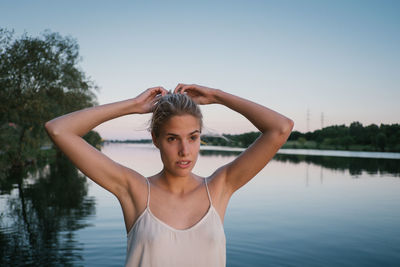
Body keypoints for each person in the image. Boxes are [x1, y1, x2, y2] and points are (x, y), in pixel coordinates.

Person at [45, 83, 294, 267]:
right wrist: (133, 106)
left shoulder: (220, 187)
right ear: (156, 139)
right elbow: (58, 130)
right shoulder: (135, 190)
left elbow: (280, 128)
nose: (185, 151)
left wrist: (217, 96)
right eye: (172, 138)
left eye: (193, 138)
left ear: (200, 139)